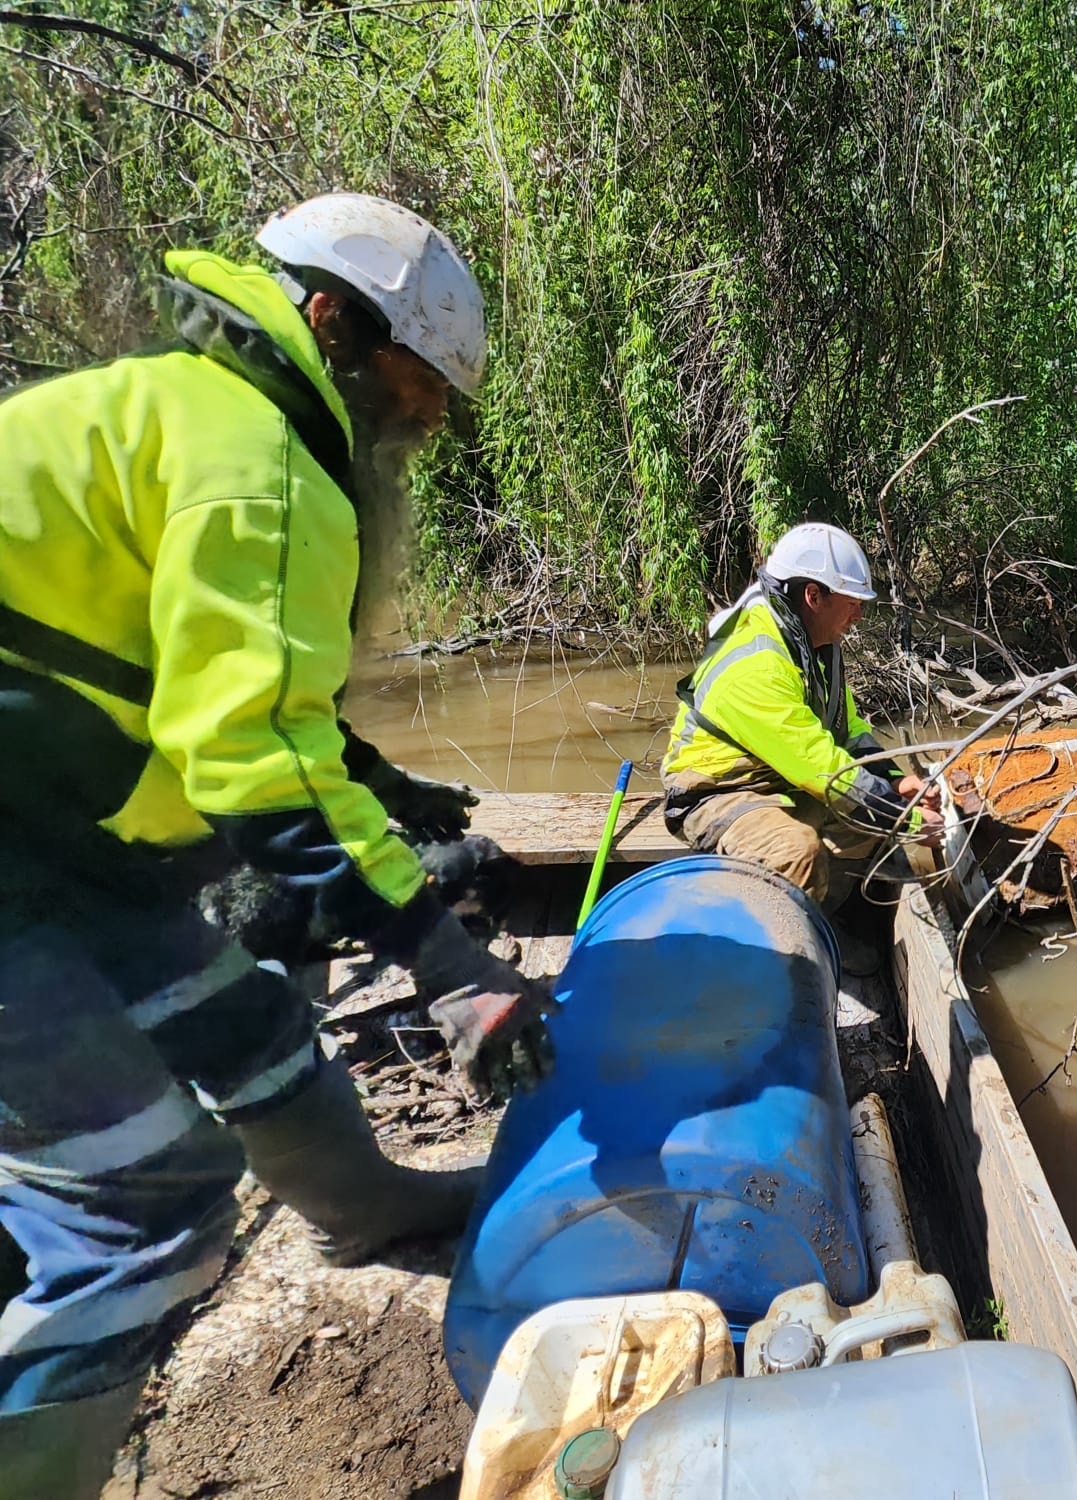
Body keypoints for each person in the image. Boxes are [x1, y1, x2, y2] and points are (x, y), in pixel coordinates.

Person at [0, 193, 554, 1496]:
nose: (426, 422)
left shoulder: (190, 413)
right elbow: (246, 758)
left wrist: (369, 779)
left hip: (43, 832)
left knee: (243, 1021)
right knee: (144, 1206)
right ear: (334, 322)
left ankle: (363, 1212)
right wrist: (449, 964)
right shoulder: (264, 464)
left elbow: (196, 679)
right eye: (419, 385)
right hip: (21, 848)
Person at [661, 523, 943, 906]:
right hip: (720, 792)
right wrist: (906, 819)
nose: (858, 615)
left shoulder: (809, 644)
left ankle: (830, 919)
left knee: (867, 822)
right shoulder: (757, 662)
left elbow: (846, 730)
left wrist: (893, 782)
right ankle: (783, 957)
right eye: (852, 603)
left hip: (778, 778)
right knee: (796, 852)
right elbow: (816, 762)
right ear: (814, 596)